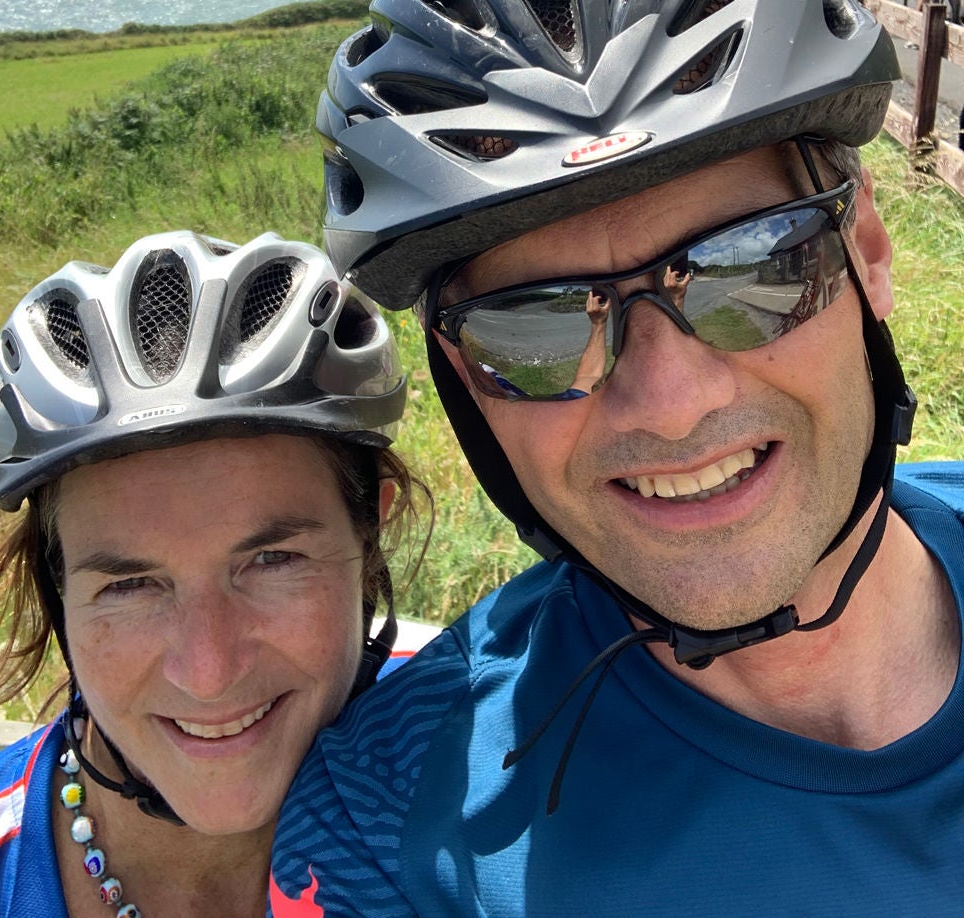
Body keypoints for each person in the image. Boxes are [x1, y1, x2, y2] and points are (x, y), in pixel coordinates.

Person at [269, 1, 964, 915]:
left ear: (866, 249)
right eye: (537, 327)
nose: (673, 407)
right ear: (463, 380)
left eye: (757, 267)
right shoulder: (390, 821)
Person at [0, 231, 435, 916]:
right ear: (56, 584)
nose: (208, 670)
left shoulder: (506, 767)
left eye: (272, 561)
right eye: (128, 586)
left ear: (372, 539)